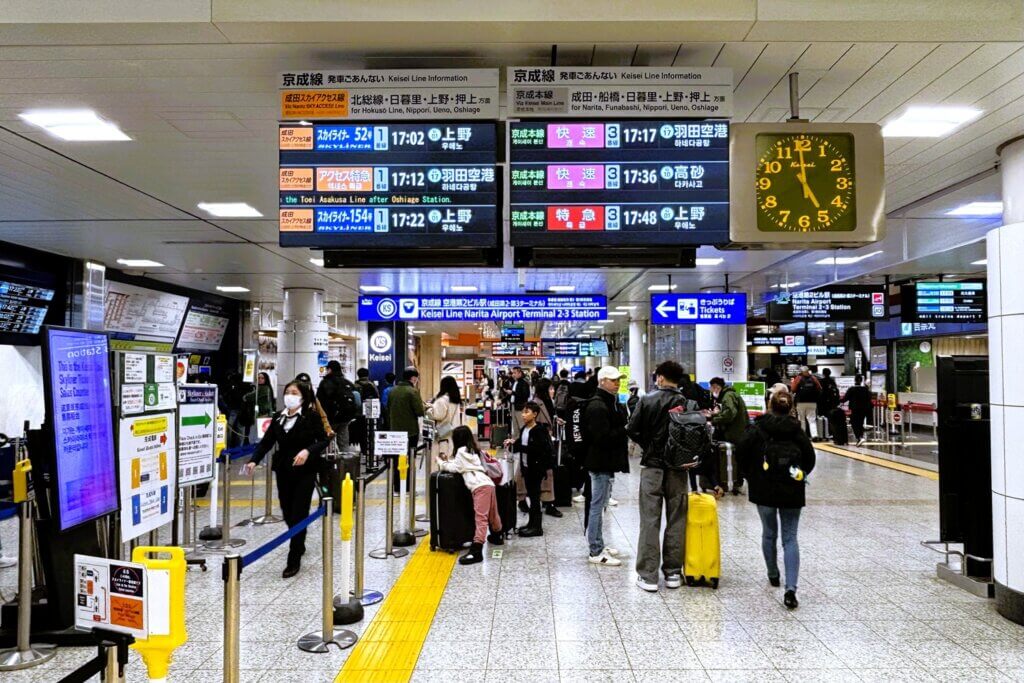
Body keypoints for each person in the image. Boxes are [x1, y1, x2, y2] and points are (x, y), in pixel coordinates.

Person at [736, 391, 816, 610]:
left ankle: (773, 573)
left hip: (763, 488)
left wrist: (750, 476)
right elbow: (810, 459)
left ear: (769, 405)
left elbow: (740, 451)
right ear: (790, 407)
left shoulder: (758, 428)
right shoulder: (796, 431)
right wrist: (797, 475)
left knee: (769, 532)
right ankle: (791, 589)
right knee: (790, 538)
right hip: (791, 489)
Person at [244, 380, 330, 578]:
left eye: (294, 392)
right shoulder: (278, 418)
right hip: (283, 470)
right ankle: (298, 538)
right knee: (288, 511)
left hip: (305, 471)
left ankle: (294, 557)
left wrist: (308, 451)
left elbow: (324, 440)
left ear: (302, 397)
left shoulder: (311, 417)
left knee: (299, 512)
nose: (289, 396)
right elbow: (267, 441)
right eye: (287, 392)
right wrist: (253, 461)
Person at [626, 360, 692, 592]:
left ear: (661, 378)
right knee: (677, 520)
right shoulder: (687, 403)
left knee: (650, 520)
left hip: (653, 467)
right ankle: (673, 573)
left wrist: (649, 446)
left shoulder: (647, 400)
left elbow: (631, 429)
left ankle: (648, 576)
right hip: (678, 469)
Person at [584, 367, 630, 566]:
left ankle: (599, 543)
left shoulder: (609, 402)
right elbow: (601, 437)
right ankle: (595, 550)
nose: (617, 383)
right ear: (602, 381)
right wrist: (624, 430)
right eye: (613, 380)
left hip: (605, 461)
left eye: (618, 380)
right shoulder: (598, 406)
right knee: (597, 506)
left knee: (600, 505)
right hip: (600, 461)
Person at [438, 426, 503, 565]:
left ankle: (477, 550)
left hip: (479, 487)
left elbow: (455, 467)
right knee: (492, 514)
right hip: (488, 484)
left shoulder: (461, 451)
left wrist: (441, 463)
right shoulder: (475, 450)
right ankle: (497, 535)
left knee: (481, 517)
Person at [504, 401, 553, 537]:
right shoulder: (524, 429)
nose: (523, 415)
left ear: (535, 414)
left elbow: (538, 450)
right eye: (523, 412)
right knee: (532, 496)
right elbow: (520, 443)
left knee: (535, 498)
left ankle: (537, 527)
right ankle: (531, 524)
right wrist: (512, 444)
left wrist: (520, 447)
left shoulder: (539, 430)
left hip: (536, 470)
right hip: (526, 468)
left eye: (527, 412)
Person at [709, 376, 751, 495]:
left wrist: (714, 419)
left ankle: (739, 483)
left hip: (736, 433)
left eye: (712, 388)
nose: (711, 391)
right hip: (738, 432)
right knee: (739, 458)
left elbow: (729, 414)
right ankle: (736, 483)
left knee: (739, 459)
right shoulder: (729, 395)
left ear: (717, 387)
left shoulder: (728, 396)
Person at [316, 361, 360, 437]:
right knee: (343, 441)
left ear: (330, 370)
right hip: (345, 418)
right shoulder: (347, 382)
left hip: (330, 417)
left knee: (327, 441)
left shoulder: (325, 383)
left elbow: (319, 401)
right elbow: (357, 399)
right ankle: (344, 449)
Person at [427, 375, 463, 458]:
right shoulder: (455, 400)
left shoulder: (443, 400)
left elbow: (438, 415)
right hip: (452, 431)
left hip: (442, 433)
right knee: (450, 458)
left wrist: (429, 409)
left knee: (440, 459)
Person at [790, 367, 822, 440]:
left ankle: (803, 435)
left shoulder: (798, 378)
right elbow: (819, 388)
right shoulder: (813, 378)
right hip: (812, 402)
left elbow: (793, 389)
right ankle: (814, 435)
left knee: (802, 419)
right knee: (812, 420)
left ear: (801, 372)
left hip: (801, 402)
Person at [843, 374, 873, 446]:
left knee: (854, 423)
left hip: (854, 409)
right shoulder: (865, 389)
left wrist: (839, 400)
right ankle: (860, 437)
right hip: (864, 409)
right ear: (861, 381)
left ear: (855, 380)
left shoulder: (851, 389)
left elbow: (845, 398)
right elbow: (869, 398)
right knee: (860, 423)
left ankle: (859, 437)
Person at [504, 366, 531, 437]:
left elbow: (525, 395)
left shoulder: (524, 383)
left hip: (520, 407)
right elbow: (511, 394)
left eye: (515, 373)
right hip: (513, 406)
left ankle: (523, 440)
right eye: (513, 373)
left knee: (521, 425)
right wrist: (502, 400)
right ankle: (516, 440)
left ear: (520, 373)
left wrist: (513, 392)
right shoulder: (515, 382)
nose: (513, 374)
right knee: (515, 425)